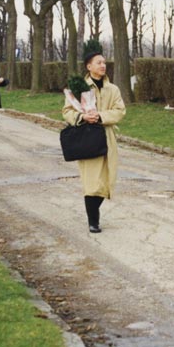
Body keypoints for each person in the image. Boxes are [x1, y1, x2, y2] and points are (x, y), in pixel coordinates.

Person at [62, 52, 126, 233]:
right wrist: (82, 117)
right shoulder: (79, 87)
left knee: (107, 180)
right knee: (92, 182)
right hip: (87, 138)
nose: (103, 65)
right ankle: (93, 221)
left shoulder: (112, 89)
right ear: (89, 66)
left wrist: (100, 116)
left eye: (104, 62)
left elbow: (120, 111)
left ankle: (93, 213)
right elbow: (67, 111)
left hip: (107, 138)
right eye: (98, 63)